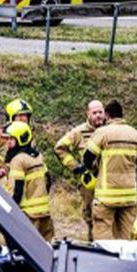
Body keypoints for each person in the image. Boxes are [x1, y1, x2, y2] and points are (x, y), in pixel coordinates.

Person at [82, 100, 137, 241]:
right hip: (129, 196)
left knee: (103, 239)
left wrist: (95, 170)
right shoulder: (136, 135)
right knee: (126, 238)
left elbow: (87, 159)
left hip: (106, 196)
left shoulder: (102, 133)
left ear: (108, 115)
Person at [54, 99, 106, 240]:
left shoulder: (110, 130)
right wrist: (77, 168)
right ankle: (92, 243)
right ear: (88, 114)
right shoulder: (79, 132)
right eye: (94, 113)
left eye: (100, 112)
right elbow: (60, 148)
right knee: (91, 216)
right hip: (91, 182)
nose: (98, 116)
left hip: (110, 181)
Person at [6, 121, 55, 241]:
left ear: (21, 139)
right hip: (45, 213)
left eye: (11, 139)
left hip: (29, 216)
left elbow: (17, 190)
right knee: (47, 246)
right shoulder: (38, 156)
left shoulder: (18, 160)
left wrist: (10, 210)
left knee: (27, 247)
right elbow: (48, 180)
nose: (8, 142)